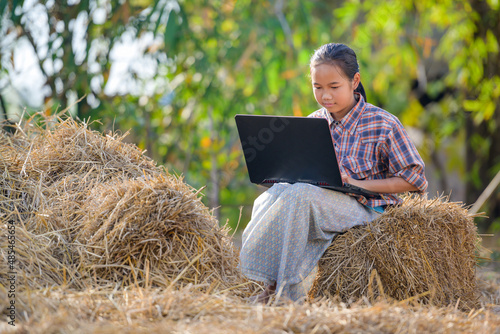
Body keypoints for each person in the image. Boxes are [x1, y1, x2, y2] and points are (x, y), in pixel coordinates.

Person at [239, 43, 428, 303]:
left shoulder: (383, 123)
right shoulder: (313, 121)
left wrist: (360, 183)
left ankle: (286, 294)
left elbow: (413, 179)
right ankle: (269, 284)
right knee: (278, 193)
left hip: (368, 209)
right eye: (318, 87)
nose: (325, 95)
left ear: (355, 81)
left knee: (300, 195)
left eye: (334, 87)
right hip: (320, 198)